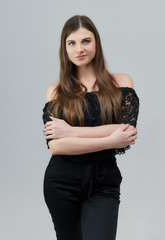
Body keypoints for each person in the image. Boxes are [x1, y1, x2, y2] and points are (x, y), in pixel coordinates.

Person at [42, 15, 139, 240]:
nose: (79, 49)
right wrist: (110, 140)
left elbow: (127, 130)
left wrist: (71, 131)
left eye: (86, 41)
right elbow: (57, 147)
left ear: (97, 42)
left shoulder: (121, 82)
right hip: (61, 183)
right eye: (71, 43)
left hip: (103, 183)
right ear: (64, 48)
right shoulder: (55, 91)